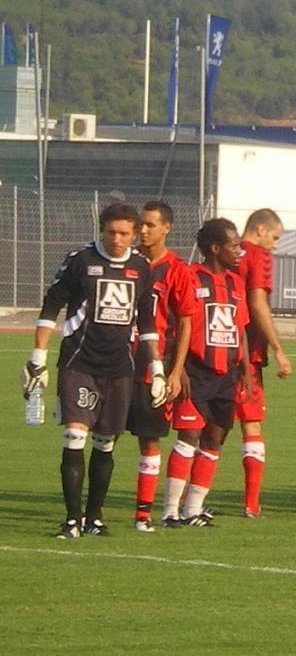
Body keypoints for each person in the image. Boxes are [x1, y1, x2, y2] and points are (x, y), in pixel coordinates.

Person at [21, 202, 162, 538]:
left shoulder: (141, 267)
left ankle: (95, 517)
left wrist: (156, 365)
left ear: (133, 233)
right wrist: (38, 355)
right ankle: (72, 520)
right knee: (74, 436)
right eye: (111, 232)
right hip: (79, 362)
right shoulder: (81, 260)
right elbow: (52, 304)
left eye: (124, 233)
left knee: (105, 443)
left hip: (119, 367)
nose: (117, 239)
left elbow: (147, 320)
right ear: (102, 229)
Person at [161, 218, 250, 527]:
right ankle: (170, 510)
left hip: (227, 375)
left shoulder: (236, 283)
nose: (240, 251)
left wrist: (246, 371)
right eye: (234, 245)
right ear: (215, 248)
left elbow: (242, 329)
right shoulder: (189, 276)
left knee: (214, 437)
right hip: (195, 370)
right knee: (189, 434)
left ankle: (193, 510)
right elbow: (175, 326)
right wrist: (178, 368)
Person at [127, 201, 198, 533]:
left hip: (151, 366)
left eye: (150, 225)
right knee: (102, 435)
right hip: (115, 360)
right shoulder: (128, 262)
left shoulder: (177, 270)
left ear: (166, 228)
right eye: (141, 224)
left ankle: (143, 514)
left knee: (149, 438)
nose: (143, 230)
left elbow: (186, 324)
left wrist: (174, 370)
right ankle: (90, 512)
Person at [235, 208, 292, 518]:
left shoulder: (225, 253)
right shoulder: (258, 257)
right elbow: (257, 302)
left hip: (211, 351)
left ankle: (189, 503)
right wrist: (278, 348)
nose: (274, 244)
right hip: (245, 356)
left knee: (204, 430)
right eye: (274, 236)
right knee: (251, 424)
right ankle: (251, 504)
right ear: (259, 229)